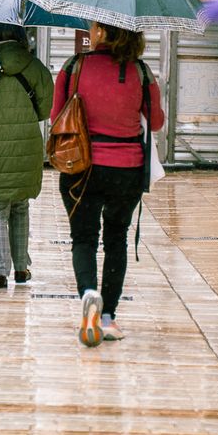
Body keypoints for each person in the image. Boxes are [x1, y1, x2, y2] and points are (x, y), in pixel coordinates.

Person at [52, 22, 164, 348]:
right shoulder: (141, 73)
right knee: (116, 239)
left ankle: (89, 293)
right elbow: (155, 122)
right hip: (127, 169)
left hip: (81, 168)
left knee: (83, 238)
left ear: (101, 31)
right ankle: (108, 318)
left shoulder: (74, 66)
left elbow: (57, 114)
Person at [0, 24, 53, 291]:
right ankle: (21, 268)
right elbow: (45, 108)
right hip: (25, 147)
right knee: (20, 206)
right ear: (21, 36)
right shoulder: (34, 66)